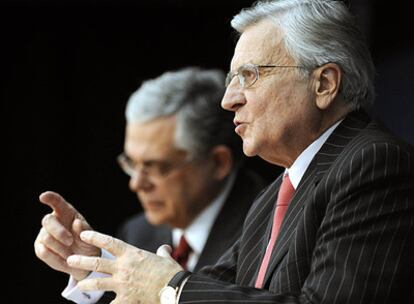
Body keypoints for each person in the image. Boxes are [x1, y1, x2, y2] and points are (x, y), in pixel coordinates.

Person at [36, 1, 414, 303]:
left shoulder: (374, 164)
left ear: (324, 83)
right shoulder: (276, 196)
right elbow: (213, 285)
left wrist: (174, 288)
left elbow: (185, 288)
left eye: (249, 76)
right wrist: (95, 265)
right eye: (232, 79)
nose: (229, 99)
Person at [34, 67, 267, 303]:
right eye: (131, 163)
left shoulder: (266, 229)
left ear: (218, 162)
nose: (136, 184)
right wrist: (92, 267)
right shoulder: (138, 233)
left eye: (156, 167)